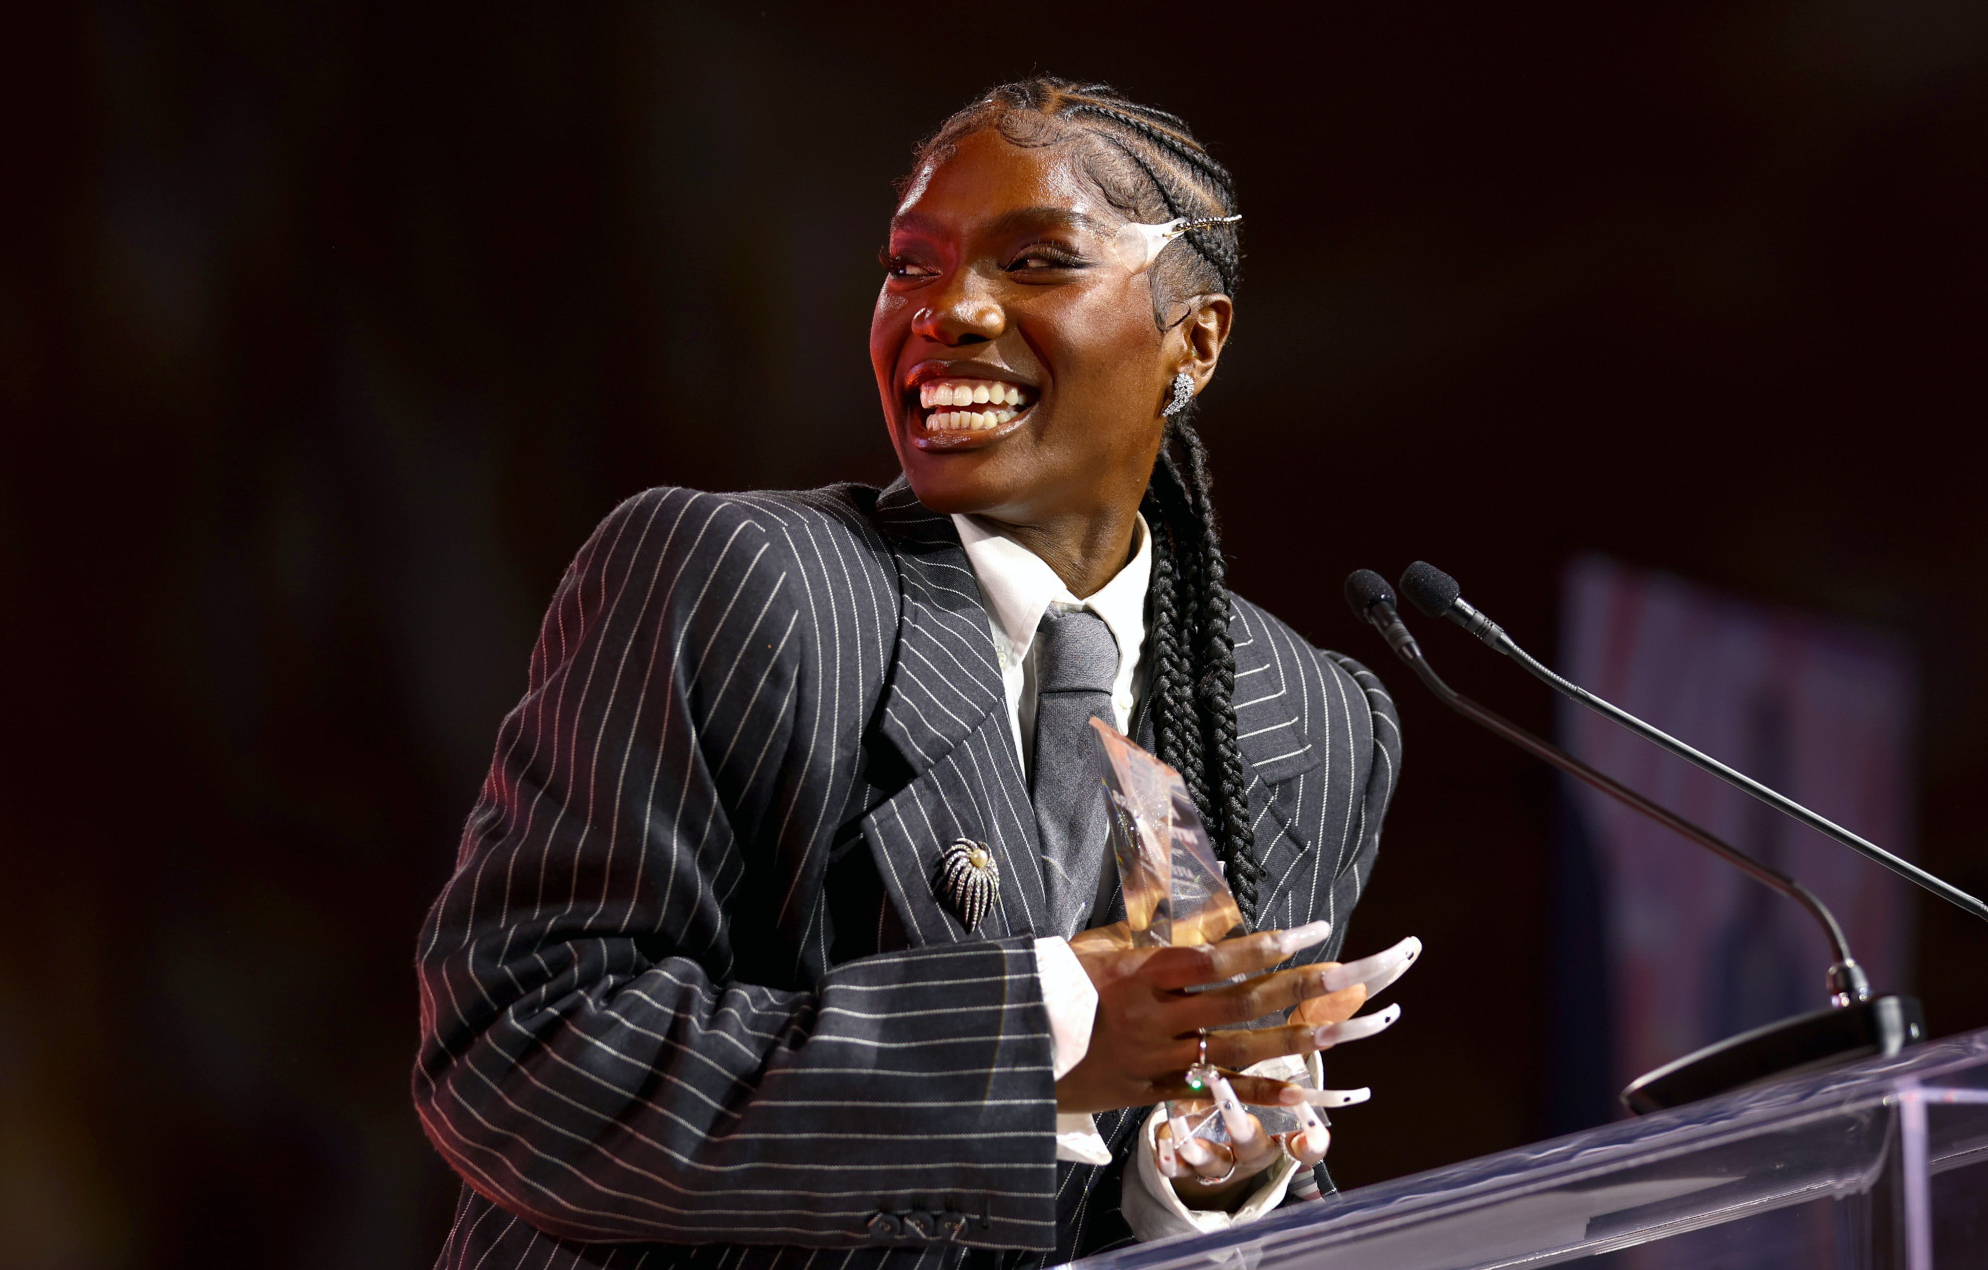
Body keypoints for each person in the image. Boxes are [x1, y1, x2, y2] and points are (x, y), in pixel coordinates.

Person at [414, 78, 1404, 1270]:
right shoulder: (746, 581)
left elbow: (1227, 1188)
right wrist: (1049, 1032)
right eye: (909, 267)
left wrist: (1201, 1174)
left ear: (1193, 337)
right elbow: (519, 1055)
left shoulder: (1302, 717)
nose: (949, 313)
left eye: (1036, 261)